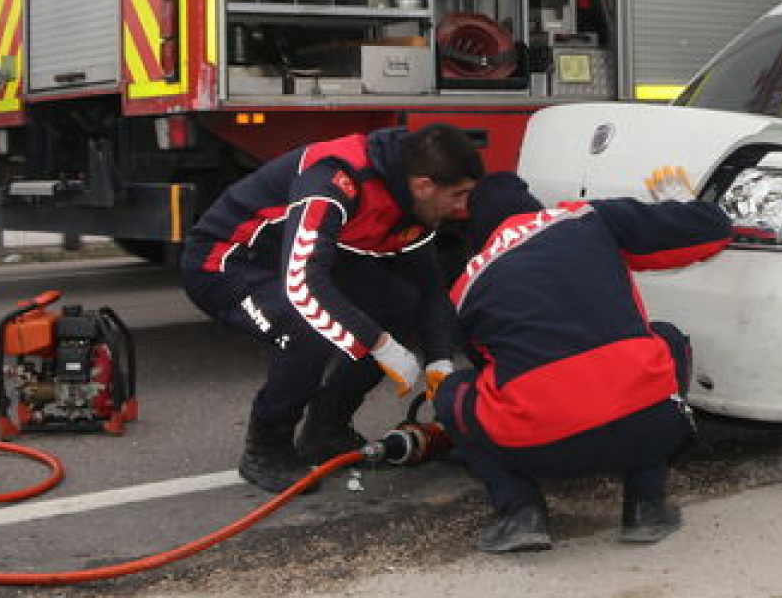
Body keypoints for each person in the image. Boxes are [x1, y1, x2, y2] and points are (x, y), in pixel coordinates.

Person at [435, 166, 731, 553]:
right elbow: (713, 231)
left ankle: (520, 513)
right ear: (533, 204)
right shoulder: (586, 218)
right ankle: (645, 507)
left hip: (542, 450)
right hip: (646, 427)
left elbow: (489, 372)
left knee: (452, 391)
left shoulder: (466, 284)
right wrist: (683, 204)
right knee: (668, 339)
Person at [181, 123, 483, 493]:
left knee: (400, 302)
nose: (463, 207)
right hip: (226, 263)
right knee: (306, 326)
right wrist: (378, 344)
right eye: (459, 195)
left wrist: (440, 362)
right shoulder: (333, 181)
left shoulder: (414, 201)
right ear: (424, 185)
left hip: (294, 261)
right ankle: (266, 446)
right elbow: (303, 286)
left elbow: (430, 289)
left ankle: (326, 427)